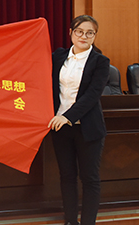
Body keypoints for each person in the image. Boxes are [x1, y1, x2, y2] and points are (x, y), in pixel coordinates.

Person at [49, 14, 110, 225]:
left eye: (89, 33)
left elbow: (92, 95)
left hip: (88, 128)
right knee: (67, 177)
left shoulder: (101, 62)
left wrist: (68, 117)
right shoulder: (58, 56)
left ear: (95, 36)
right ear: (71, 33)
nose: (84, 36)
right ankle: (70, 221)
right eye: (79, 31)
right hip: (60, 128)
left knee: (89, 179)